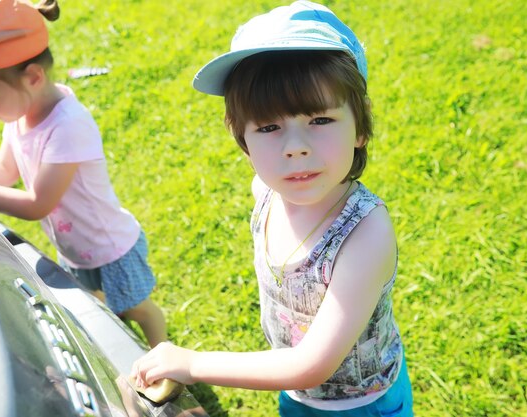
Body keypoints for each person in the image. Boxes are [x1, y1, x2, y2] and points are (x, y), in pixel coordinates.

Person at [131, 1, 414, 415]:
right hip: (292, 388)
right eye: (268, 127)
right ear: (241, 137)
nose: (295, 147)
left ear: (361, 124)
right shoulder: (264, 192)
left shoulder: (366, 233)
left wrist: (194, 363)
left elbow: (312, 364)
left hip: (361, 405)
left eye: (320, 120)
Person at [0, 0, 166, 348]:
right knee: (97, 312)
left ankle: (164, 355)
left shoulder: (67, 126)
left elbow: (37, 204)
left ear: (32, 77)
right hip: (75, 249)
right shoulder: (20, 116)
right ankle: (127, 355)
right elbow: (2, 171)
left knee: (137, 309)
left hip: (110, 247)